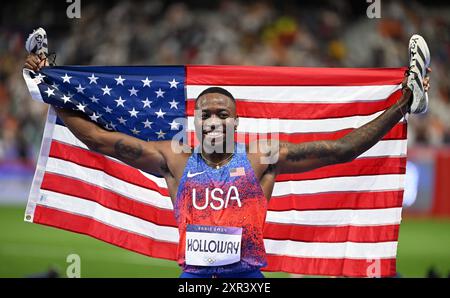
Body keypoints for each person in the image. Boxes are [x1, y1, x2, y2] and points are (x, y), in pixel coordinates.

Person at [23, 35, 431, 278]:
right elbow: (101, 140)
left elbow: (344, 149)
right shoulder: (174, 158)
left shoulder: (262, 157)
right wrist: (49, 91)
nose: (214, 119)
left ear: (236, 123)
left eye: (223, 114)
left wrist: (404, 103)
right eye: (206, 114)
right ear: (195, 121)